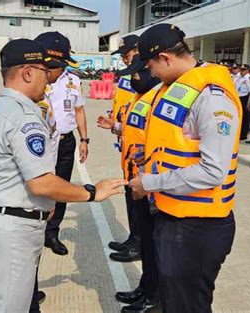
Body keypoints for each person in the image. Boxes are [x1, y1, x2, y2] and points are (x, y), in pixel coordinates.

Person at [0, 38, 126, 313]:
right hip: (12, 231)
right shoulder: (23, 116)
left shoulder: (3, 107)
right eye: (45, 71)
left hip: (5, 222)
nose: (50, 80)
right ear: (28, 73)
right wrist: (92, 192)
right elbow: (41, 182)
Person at [129, 24, 241, 313]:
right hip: (173, 216)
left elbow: (212, 171)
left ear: (165, 58)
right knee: (173, 300)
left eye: (151, 65)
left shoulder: (212, 99)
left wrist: (150, 182)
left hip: (197, 227)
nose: (149, 73)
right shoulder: (176, 89)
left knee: (188, 305)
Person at [98, 55, 162, 312]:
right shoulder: (141, 98)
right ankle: (145, 288)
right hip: (137, 178)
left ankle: (154, 298)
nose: (133, 79)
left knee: (155, 244)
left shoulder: (157, 100)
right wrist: (114, 126)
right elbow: (134, 130)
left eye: (137, 74)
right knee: (146, 241)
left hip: (152, 184)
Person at [32, 31, 89, 257]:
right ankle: (36, 229)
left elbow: (79, 110)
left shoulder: (73, 81)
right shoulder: (35, 80)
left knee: (61, 187)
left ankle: (52, 233)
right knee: (38, 186)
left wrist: (84, 139)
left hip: (66, 141)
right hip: (40, 143)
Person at [105, 34, 142, 262]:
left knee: (138, 195)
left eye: (127, 54)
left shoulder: (145, 77)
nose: (125, 60)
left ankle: (139, 243)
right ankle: (134, 237)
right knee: (130, 194)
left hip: (138, 148)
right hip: (125, 141)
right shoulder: (129, 76)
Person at [236, 64, 250, 140]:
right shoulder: (239, 78)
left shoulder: (248, 78)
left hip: (244, 98)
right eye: (241, 70)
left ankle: (243, 134)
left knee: (245, 117)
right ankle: (239, 132)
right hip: (238, 97)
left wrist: (248, 102)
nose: (241, 71)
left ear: (247, 70)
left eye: (243, 70)